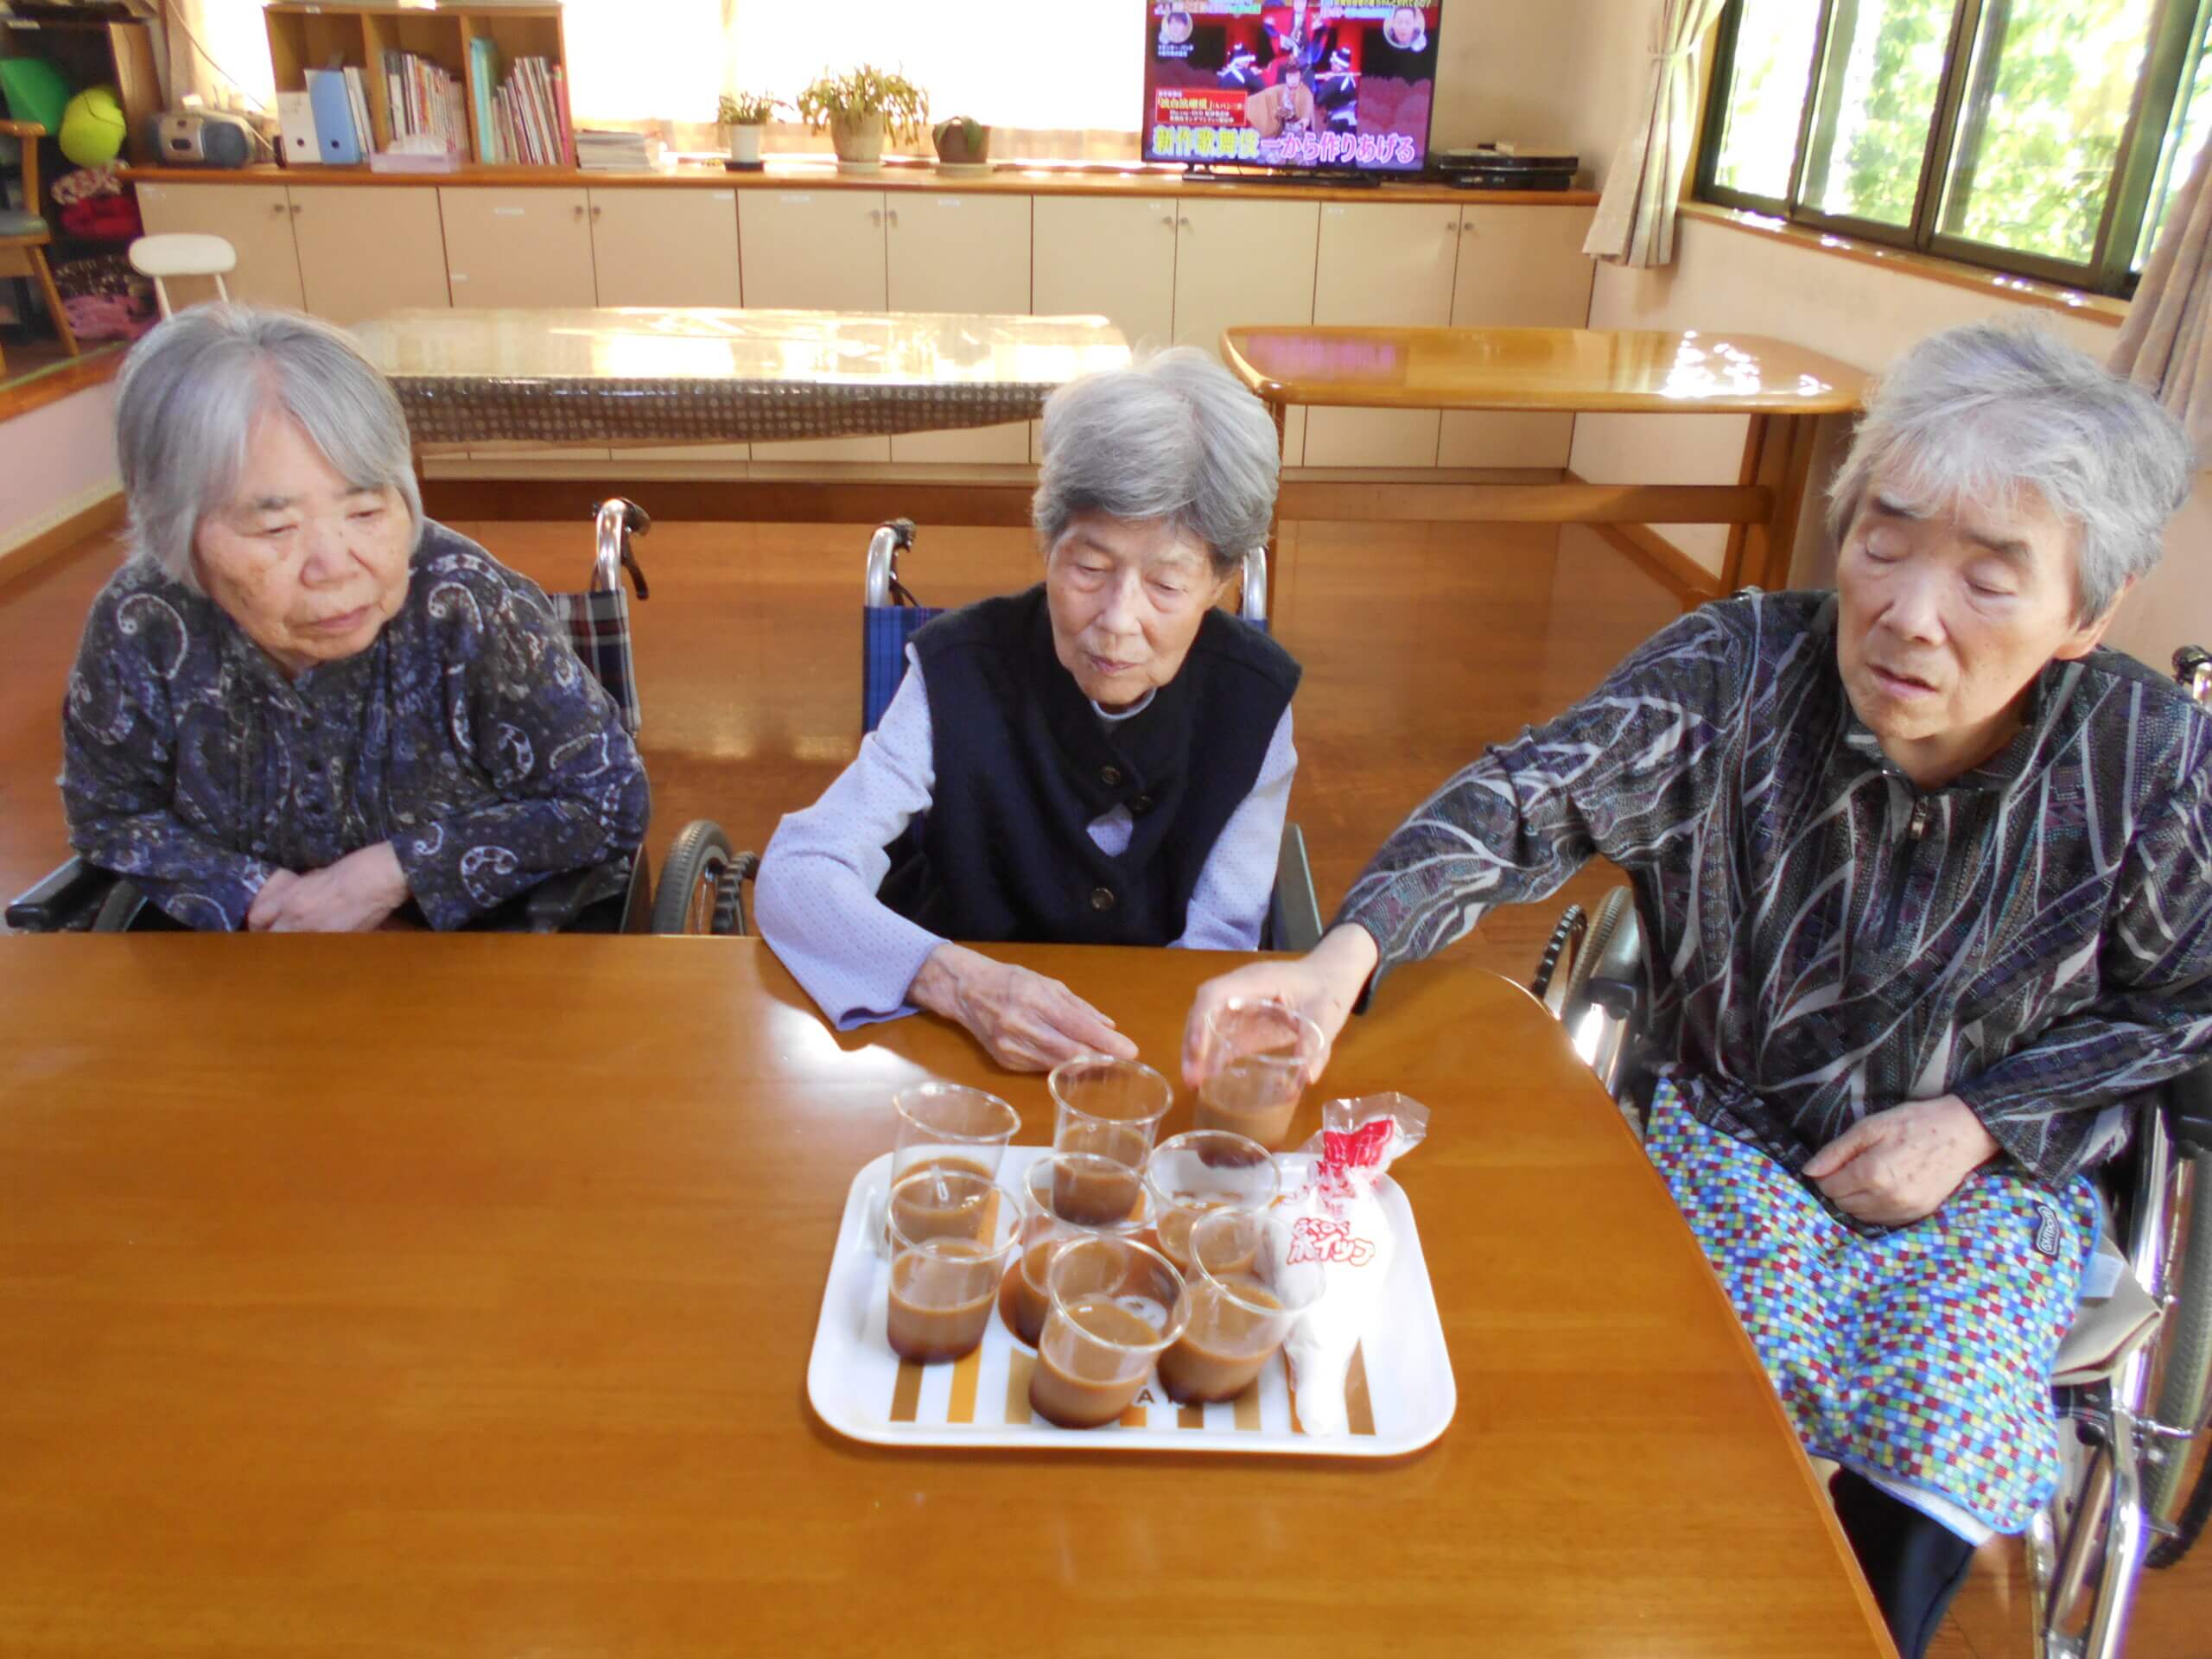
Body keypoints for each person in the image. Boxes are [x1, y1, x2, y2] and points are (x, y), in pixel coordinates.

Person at [1180, 320, 2209, 1657]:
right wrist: (1337, 964)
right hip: (1732, 1127)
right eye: (1885, 538)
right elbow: (1525, 797)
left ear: (2087, 612)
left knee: (1941, 1428)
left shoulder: (2148, 766)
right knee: (1688, 1406)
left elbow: (2190, 998)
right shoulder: (1741, 672)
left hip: (1990, 1176)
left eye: (1989, 578)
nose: (1908, 610)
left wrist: (1984, 1121)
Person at [757, 348, 1299, 1072]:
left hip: (1137, 1061)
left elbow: (1214, 948)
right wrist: (955, 980)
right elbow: (797, 874)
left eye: (1167, 585)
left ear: (1223, 581)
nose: (1117, 620)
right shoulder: (958, 669)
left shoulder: (1252, 702)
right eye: (1089, 568)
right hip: (948, 1051)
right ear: (1045, 544)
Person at [60, 303, 650, 932]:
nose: (336, 566)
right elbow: (109, 812)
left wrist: (391, 873)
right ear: (169, 526)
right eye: (275, 527)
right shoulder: (141, 621)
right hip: (253, 965)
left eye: (367, 512)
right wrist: (255, 893)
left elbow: (607, 800)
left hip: (469, 963)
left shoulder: (466, 604)